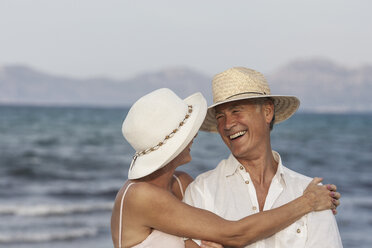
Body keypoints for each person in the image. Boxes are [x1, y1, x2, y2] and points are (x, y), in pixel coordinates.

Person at [111, 88, 340, 248]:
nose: (194, 136)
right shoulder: (140, 196)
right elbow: (235, 233)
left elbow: (193, 240)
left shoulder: (183, 184)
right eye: (187, 132)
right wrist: (307, 202)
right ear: (171, 146)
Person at [183, 67, 343, 247]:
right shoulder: (202, 192)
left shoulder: (312, 191)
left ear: (267, 112)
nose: (227, 124)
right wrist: (306, 203)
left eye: (236, 111)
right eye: (220, 116)